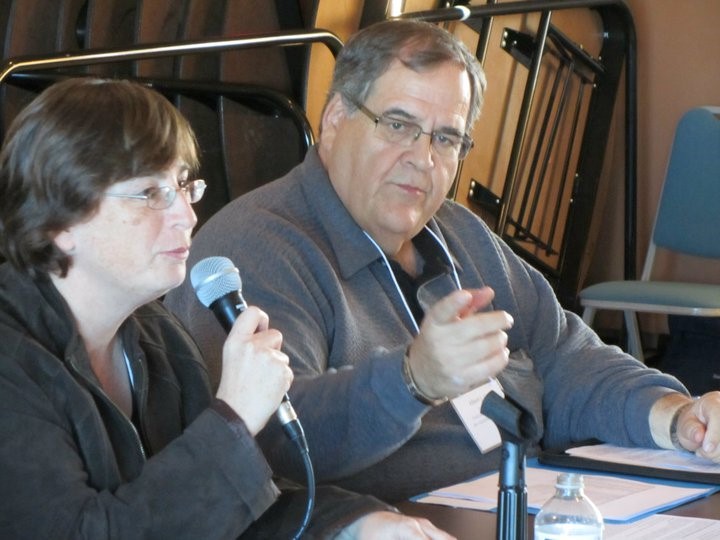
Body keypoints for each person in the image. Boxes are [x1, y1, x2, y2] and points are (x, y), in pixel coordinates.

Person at [164, 19, 720, 503]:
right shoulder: (257, 247)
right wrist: (413, 379)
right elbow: (277, 443)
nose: (422, 160)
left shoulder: (459, 233)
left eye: (447, 138)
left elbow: (564, 356)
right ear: (334, 120)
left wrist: (675, 416)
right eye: (399, 124)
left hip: (525, 497)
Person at [0, 77, 456, 539]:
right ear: (58, 220)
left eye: (181, 186)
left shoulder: (159, 335)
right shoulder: (9, 361)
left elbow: (234, 510)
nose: (187, 215)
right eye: (151, 194)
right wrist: (233, 416)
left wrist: (357, 524)